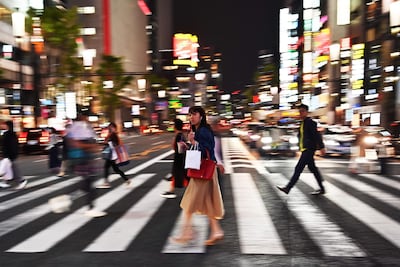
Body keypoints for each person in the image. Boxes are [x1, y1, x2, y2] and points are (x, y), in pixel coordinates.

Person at [171, 106, 224, 246]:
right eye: (190, 115)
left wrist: (193, 143)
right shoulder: (198, 130)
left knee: (189, 202)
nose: (191, 117)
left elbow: (207, 149)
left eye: (194, 114)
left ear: (201, 116)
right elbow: (202, 149)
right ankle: (216, 230)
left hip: (202, 171)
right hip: (205, 171)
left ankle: (187, 234)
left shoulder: (203, 131)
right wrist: (188, 145)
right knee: (207, 203)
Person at [276, 103, 326, 195]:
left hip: (309, 149)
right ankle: (322, 188)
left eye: (302, 111)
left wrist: (322, 147)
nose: (300, 113)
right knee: (313, 169)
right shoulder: (302, 123)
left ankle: (288, 188)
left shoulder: (311, 123)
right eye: (299, 111)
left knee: (298, 168)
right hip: (305, 149)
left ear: (307, 112)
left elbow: (317, 135)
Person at [67, 110, 105, 217]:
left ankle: (69, 196)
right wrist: (92, 147)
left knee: (87, 183)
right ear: (82, 116)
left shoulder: (75, 126)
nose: (87, 119)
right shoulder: (80, 126)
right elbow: (77, 143)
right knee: (89, 184)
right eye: (87, 116)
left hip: (82, 159)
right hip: (83, 159)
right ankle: (90, 208)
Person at [97, 122, 131, 188]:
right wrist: (104, 143)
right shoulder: (111, 134)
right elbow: (109, 143)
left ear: (114, 128)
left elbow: (117, 144)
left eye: (112, 127)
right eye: (110, 127)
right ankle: (127, 180)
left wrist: (107, 143)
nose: (110, 128)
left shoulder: (113, 135)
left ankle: (106, 183)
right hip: (112, 155)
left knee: (106, 167)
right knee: (116, 169)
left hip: (112, 155)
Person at [161, 118, 188, 198]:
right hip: (180, 158)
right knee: (177, 175)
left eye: (173, 125)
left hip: (179, 159)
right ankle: (171, 191)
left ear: (175, 126)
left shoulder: (179, 136)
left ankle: (193, 192)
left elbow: (180, 149)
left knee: (183, 175)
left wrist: (180, 158)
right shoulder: (180, 135)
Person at [1, 120, 27, 189]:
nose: (2, 125)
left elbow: (11, 145)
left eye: (4, 124)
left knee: (12, 168)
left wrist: (9, 154)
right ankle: (6, 182)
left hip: (10, 154)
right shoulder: (11, 134)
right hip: (9, 154)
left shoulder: (9, 134)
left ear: (7, 126)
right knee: (8, 168)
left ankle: (21, 180)